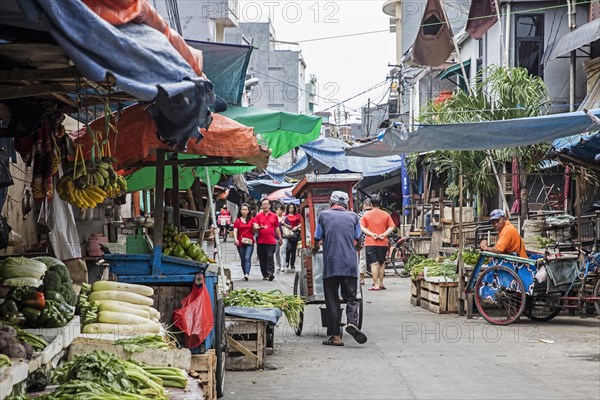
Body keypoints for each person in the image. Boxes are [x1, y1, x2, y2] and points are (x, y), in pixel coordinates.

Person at [313, 191, 367, 347]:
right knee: (352, 297)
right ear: (346, 204)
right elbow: (358, 240)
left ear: (331, 202)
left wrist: (315, 247)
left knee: (332, 300)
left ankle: (336, 337)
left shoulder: (324, 215)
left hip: (331, 264)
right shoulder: (354, 216)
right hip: (349, 263)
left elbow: (317, 237)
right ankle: (352, 323)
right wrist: (356, 245)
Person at [360, 196, 396, 291]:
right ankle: (381, 283)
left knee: (373, 264)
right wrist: (384, 234)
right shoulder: (386, 214)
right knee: (381, 263)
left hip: (370, 242)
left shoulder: (366, 215)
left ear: (371, 204)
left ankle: (375, 284)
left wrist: (372, 234)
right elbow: (392, 226)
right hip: (383, 242)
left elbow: (362, 227)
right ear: (380, 204)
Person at [253, 198, 283, 281]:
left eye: (266, 204)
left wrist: (280, 238)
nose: (265, 206)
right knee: (262, 258)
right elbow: (255, 226)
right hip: (261, 241)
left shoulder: (274, 216)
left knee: (270, 256)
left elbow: (277, 228)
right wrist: (259, 227)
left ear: (270, 205)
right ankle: (265, 274)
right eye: (263, 204)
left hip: (271, 241)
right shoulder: (258, 215)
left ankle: (270, 273)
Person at [233, 203, 254, 281]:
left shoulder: (252, 220)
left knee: (247, 257)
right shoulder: (237, 221)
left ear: (248, 211)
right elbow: (235, 231)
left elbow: (255, 228)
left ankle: (247, 274)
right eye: (243, 210)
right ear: (240, 211)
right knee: (242, 259)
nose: (244, 211)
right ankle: (244, 273)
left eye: (246, 210)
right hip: (240, 242)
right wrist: (235, 239)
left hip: (250, 242)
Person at [357, 199, 373, 285]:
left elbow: (358, 229)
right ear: (371, 205)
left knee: (362, 259)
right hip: (375, 240)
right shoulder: (374, 214)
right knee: (375, 261)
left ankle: (362, 279)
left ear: (364, 205)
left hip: (363, 240)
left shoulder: (360, 215)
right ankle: (376, 280)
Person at [282, 203, 302, 271]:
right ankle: (287, 261)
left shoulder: (297, 215)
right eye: (290, 208)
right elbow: (282, 223)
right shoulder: (285, 216)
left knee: (293, 249)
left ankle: (292, 263)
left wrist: (297, 227)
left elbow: (301, 223)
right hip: (287, 233)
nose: (291, 209)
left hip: (295, 233)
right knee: (288, 248)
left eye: (292, 208)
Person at [275, 204, 286, 272]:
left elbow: (290, 227)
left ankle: (282, 265)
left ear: (282, 211)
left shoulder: (285, 218)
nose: (279, 211)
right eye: (277, 210)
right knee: (276, 252)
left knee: (282, 251)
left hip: (284, 236)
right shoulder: (274, 217)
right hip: (275, 237)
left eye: (280, 210)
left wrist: (284, 224)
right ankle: (278, 264)